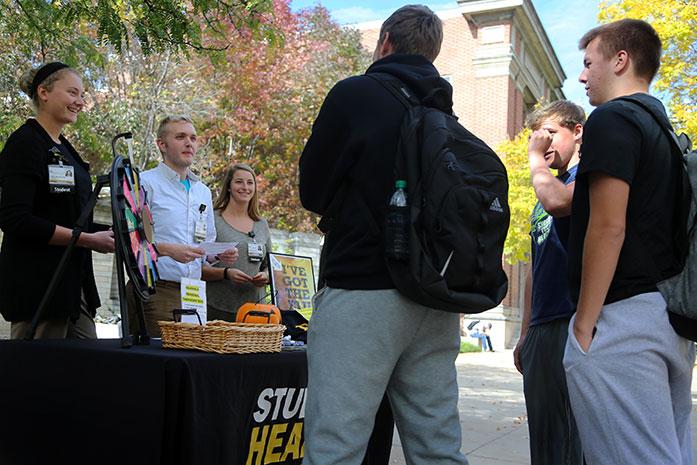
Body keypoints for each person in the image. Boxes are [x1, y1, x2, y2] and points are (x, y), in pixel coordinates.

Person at [299, 5, 468, 465]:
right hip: (433, 298)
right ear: (431, 51)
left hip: (361, 288)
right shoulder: (447, 116)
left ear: (386, 42)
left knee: (336, 445)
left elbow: (312, 190)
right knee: (437, 446)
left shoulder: (355, 94)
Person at [564, 19, 695, 464]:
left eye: (588, 63)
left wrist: (584, 324)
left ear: (620, 60)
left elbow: (607, 226)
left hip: (622, 320)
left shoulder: (613, 118)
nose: (582, 76)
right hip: (669, 320)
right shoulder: (668, 135)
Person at [0, 62, 115, 339]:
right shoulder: (26, 143)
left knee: (87, 372)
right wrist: (87, 240)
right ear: (44, 92)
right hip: (41, 288)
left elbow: (74, 217)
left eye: (82, 95)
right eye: (73, 93)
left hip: (74, 288)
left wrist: (115, 237)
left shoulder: (65, 149)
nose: (80, 102)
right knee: (37, 377)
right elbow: (15, 219)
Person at [513, 100, 585, 465]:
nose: (542, 142)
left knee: (573, 439)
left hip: (573, 321)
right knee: (543, 437)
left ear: (578, 132)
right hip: (542, 327)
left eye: (550, 133)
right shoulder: (546, 192)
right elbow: (533, 267)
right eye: (535, 136)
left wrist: (535, 158)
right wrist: (525, 332)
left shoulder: (585, 177)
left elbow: (560, 204)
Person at [127, 115, 237, 337]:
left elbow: (205, 246)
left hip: (193, 292)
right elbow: (130, 239)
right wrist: (168, 250)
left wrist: (218, 255)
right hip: (157, 289)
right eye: (180, 137)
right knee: (158, 364)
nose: (189, 143)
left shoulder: (203, 191)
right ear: (162, 144)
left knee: (188, 363)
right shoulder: (144, 183)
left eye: (193, 138)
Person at [206, 163, 272, 321]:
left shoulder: (262, 225)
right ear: (228, 186)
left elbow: (271, 264)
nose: (245, 187)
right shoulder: (212, 219)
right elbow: (196, 264)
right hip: (216, 307)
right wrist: (226, 274)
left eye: (250, 183)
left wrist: (266, 275)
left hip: (255, 311)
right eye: (239, 182)